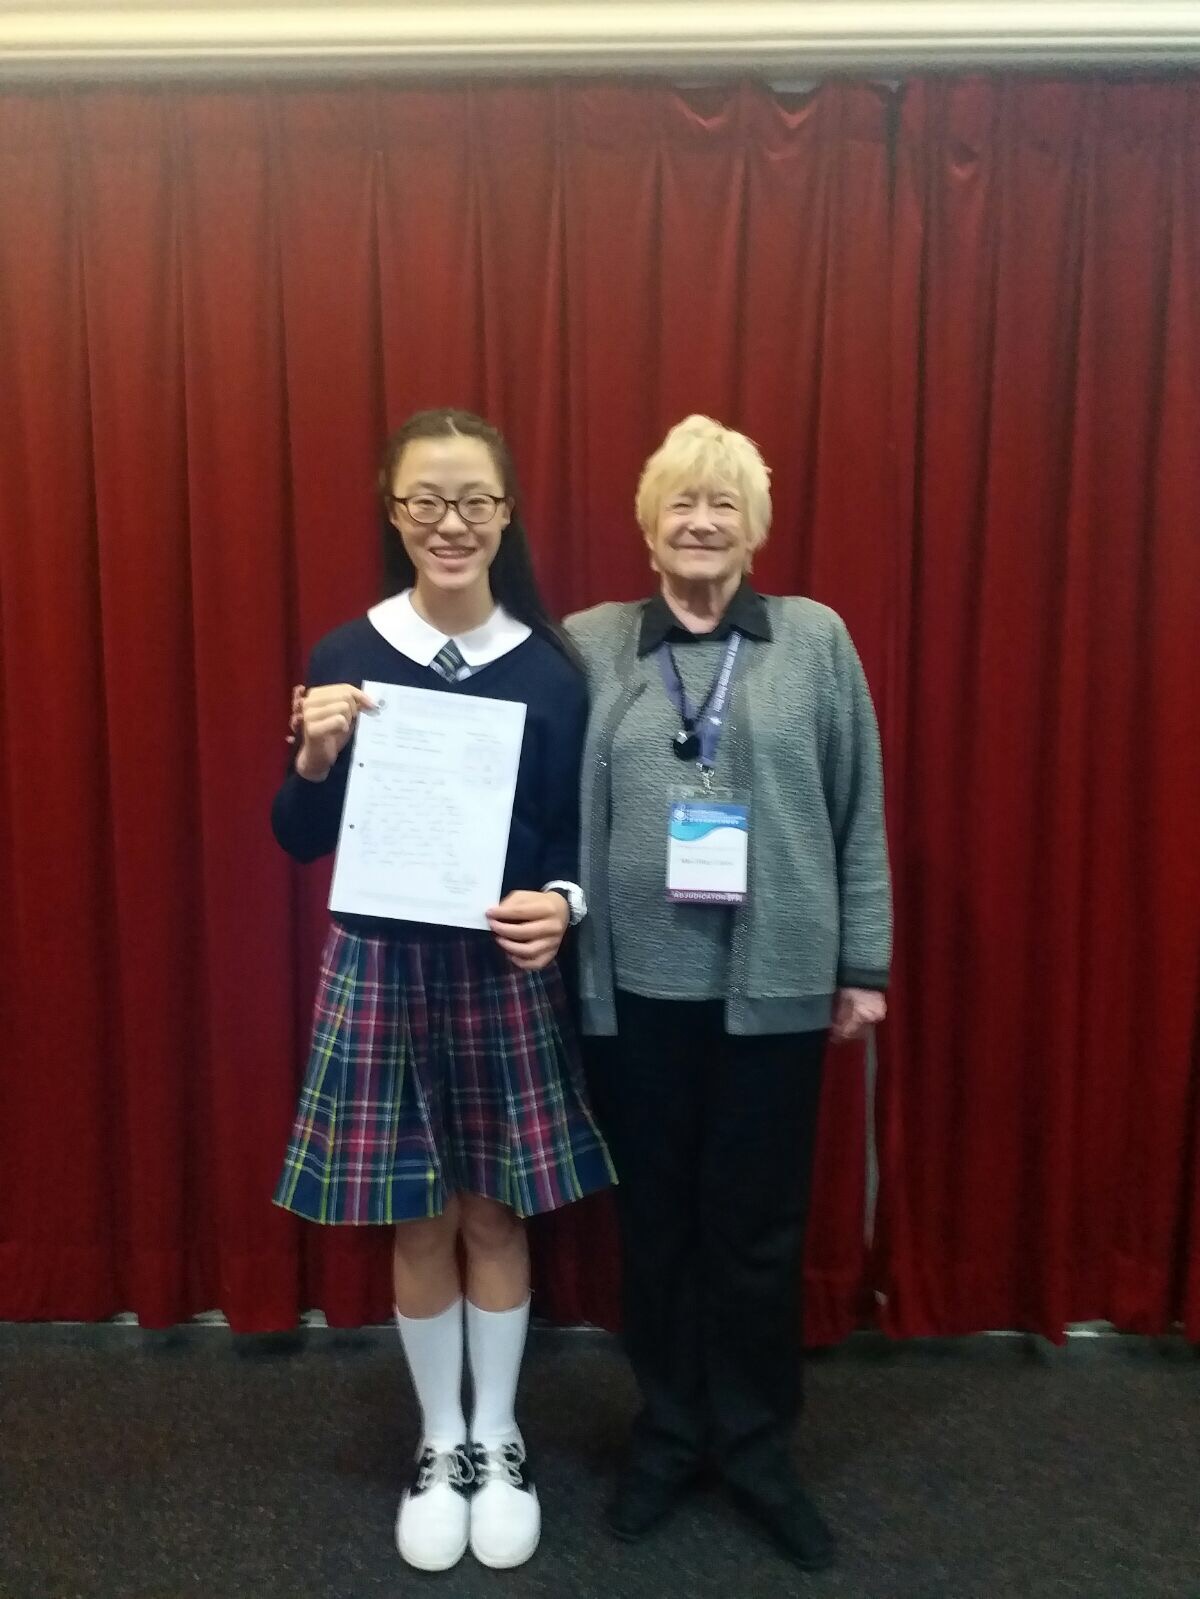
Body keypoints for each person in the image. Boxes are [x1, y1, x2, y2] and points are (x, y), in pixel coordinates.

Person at [272, 408, 613, 1574]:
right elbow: (297, 836)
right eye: (426, 499)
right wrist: (313, 757)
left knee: (494, 1213)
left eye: (474, 500)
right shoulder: (346, 653)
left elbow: (572, 838)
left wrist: (562, 902)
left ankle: (500, 1438)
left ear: (507, 514)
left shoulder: (551, 668)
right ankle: (440, 1440)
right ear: (392, 509)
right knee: (418, 1215)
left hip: (497, 973)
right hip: (383, 966)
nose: (450, 522)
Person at [565, 415, 891, 1572]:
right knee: (656, 1231)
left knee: (756, 1235)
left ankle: (755, 1450)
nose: (700, 522)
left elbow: (858, 807)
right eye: (681, 502)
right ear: (647, 524)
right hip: (633, 997)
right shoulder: (592, 642)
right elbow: (538, 789)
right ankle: (667, 1435)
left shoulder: (814, 640)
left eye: (723, 504)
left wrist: (863, 965)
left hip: (777, 991)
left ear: (754, 526)